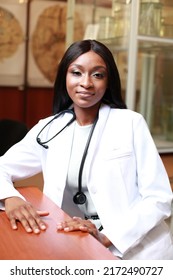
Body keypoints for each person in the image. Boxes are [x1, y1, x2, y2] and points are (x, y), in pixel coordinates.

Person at [0, 39, 173, 260]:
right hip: (76, 244)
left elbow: (158, 198)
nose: (86, 83)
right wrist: (10, 198)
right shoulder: (49, 128)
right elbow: (2, 167)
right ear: (65, 77)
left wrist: (106, 237)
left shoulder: (130, 123)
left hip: (136, 250)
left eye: (98, 75)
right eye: (77, 73)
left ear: (108, 82)